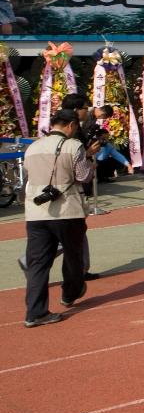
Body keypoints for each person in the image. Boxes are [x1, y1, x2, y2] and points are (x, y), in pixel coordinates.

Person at [21, 109, 95, 327]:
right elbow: (83, 176)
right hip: (67, 210)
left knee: (37, 264)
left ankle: (35, 312)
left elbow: (28, 174)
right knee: (73, 256)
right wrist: (91, 163)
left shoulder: (32, 147)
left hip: (35, 212)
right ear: (71, 125)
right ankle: (70, 292)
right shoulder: (73, 146)